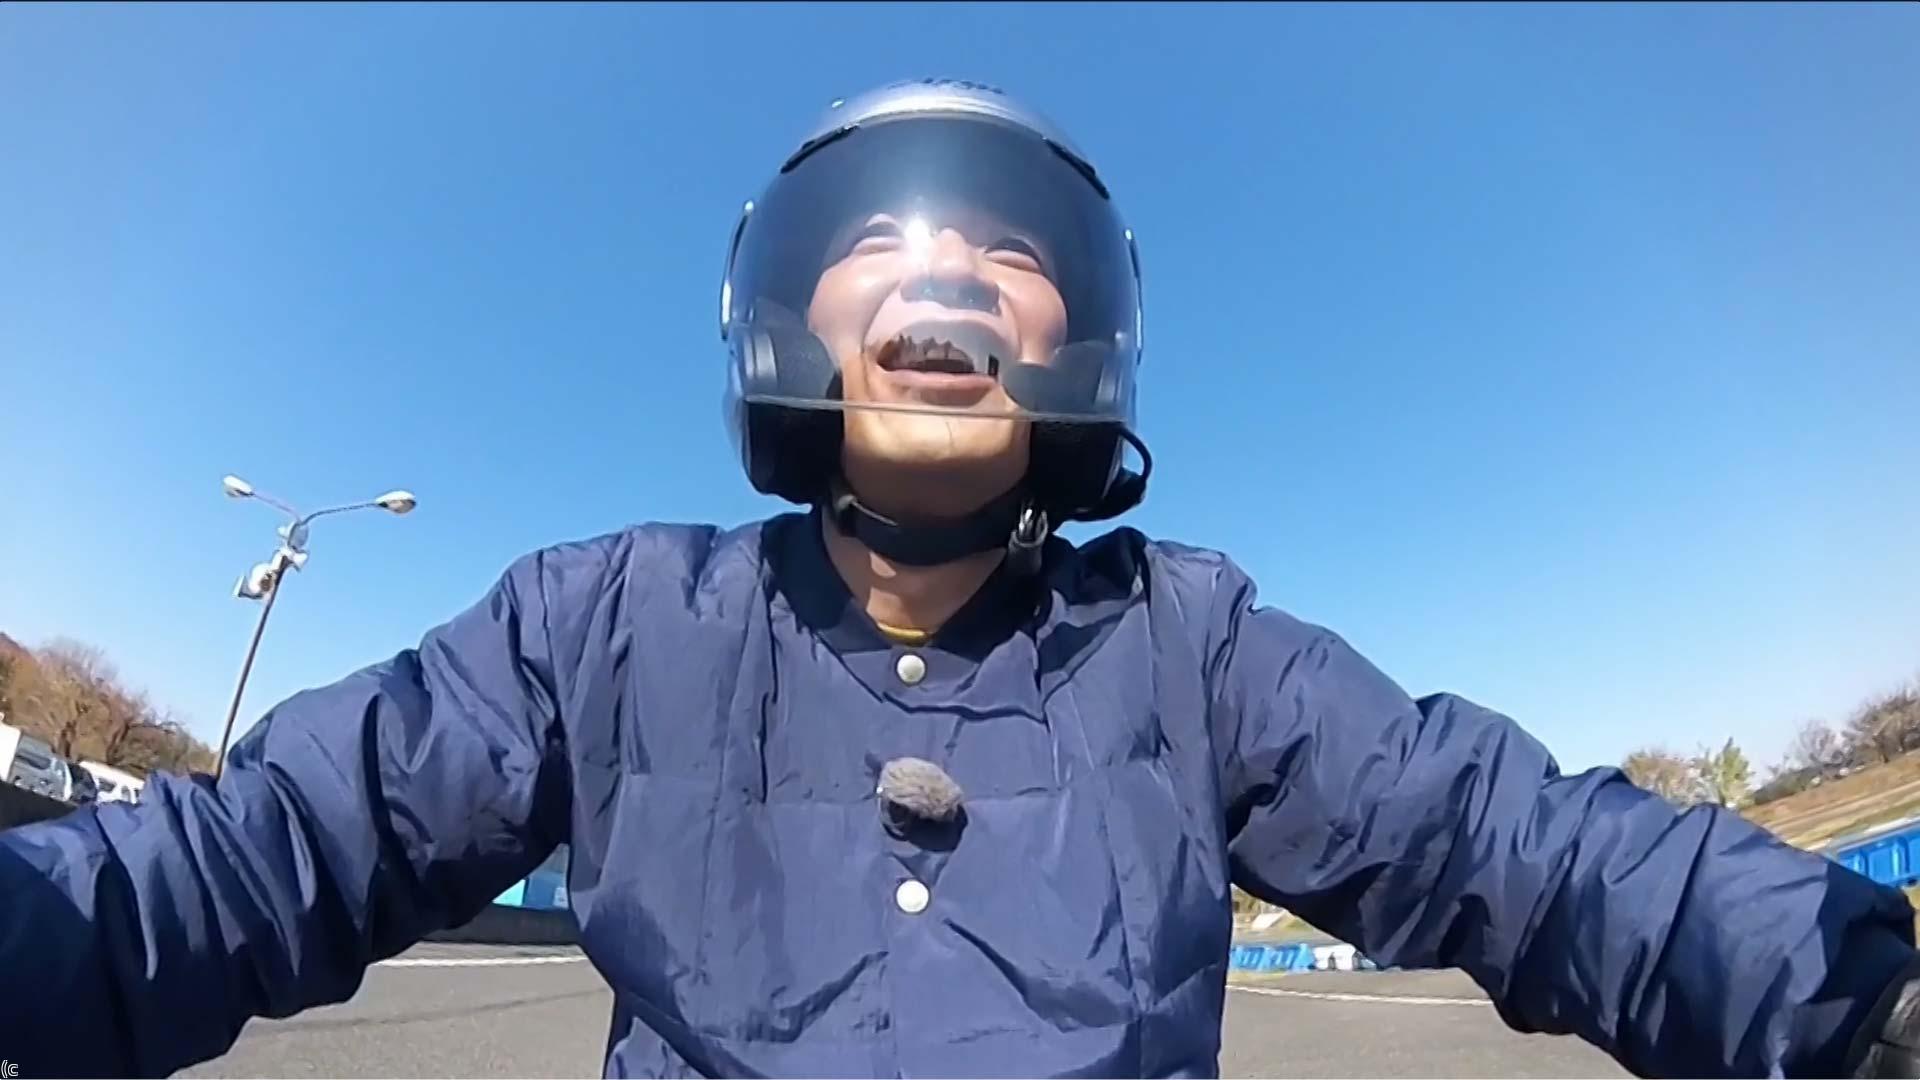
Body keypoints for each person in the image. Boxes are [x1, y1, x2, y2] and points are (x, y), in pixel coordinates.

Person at [2, 77, 1918, 1080]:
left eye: (1012, 256)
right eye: (882, 246)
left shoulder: (1190, 641)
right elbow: (257, 857)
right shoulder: (603, 623)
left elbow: (1518, 842)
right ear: (791, 314)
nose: (944, 278)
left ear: (1082, 338)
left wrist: (1845, 996)